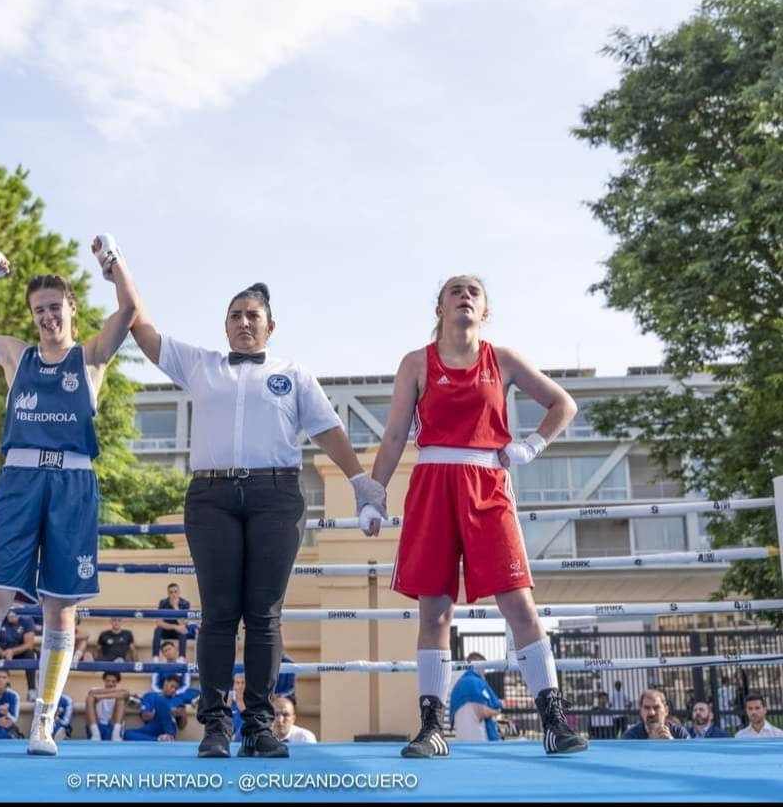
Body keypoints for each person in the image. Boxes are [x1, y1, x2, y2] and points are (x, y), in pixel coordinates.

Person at [130, 280, 386, 759]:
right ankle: (215, 728)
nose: (244, 322)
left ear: (270, 325)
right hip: (212, 495)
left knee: (265, 617)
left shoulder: (294, 374)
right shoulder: (200, 364)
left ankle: (260, 726)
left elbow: (328, 429)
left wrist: (360, 484)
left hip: (276, 495)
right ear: (225, 325)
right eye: (235, 315)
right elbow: (143, 332)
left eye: (253, 315)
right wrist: (116, 267)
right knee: (218, 614)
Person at [0, 237, 138, 758]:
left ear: (71, 309)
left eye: (55, 308)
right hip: (19, 483)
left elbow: (129, 309)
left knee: (60, 610)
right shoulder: (15, 354)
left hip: (74, 485)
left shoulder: (92, 358)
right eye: (39, 310)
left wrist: (113, 263)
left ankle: (42, 725)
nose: (47, 318)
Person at [364, 275, 587, 758]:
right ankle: (431, 727)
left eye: (473, 292)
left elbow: (562, 403)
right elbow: (395, 435)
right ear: (439, 307)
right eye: (455, 290)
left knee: (520, 606)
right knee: (435, 611)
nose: (464, 296)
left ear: (484, 310)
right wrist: (373, 494)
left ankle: (553, 720)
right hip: (432, 484)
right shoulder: (415, 362)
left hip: (487, 485)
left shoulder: (502, 359)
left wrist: (531, 445)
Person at [449, 653, 502, 742]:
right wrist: (496, 711)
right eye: (484, 668)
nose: (485, 673)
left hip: (461, 738)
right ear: (479, 666)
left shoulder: (458, 685)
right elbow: (482, 711)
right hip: (479, 738)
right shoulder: (476, 683)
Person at [622, 688, 690, 739]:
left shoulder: (679, 733)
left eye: (656, 707)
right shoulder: (630, 736)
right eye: (647, 708)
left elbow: (690, 755)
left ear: (666, 710)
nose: (652, 713)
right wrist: (651, 743)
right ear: (641, 712)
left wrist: (672, 744)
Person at [84, 670, 130, 741]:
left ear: (117, 682)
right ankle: (95, 734)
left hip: (111, 724)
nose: (110, 684)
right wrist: (113, 691)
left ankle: (116, 735)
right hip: (97, 724)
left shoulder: (122, 692)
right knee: (89, 699)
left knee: (121, 700)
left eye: (113, 681)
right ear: (104, 680)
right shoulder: (95, 689)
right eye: (108, 681)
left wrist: (102, 696)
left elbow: (126, 694)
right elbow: (91, 692)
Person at [152, 583, 191, 658]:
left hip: (178, 633)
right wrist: (175, 627)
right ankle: (155, 657)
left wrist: (175, 607)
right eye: (171, 592)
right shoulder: (163, 603)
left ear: (179, 592)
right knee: (157, 630)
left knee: (182, 630)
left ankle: (181, 657)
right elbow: (158, 623)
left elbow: (183, 624)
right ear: (168, 594)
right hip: (166, 630)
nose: (174, 594)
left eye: (175, 592)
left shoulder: (185, 603)